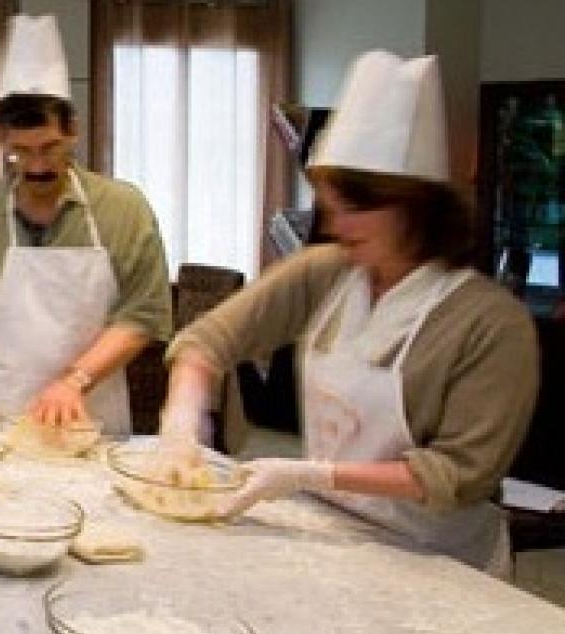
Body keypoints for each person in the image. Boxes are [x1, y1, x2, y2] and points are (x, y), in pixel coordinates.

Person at [162, 52, 540, 576]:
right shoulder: (326, 273)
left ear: (417, 206)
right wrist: (183, 425)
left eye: (356, 208)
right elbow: (208, 341)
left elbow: (456, 473)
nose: (336, 225)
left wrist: (313, 475)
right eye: (330, 205)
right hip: (333, 536)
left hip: (442, 562)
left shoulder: (491, 324)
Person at [0, 15, 171, 435]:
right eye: (21, 152)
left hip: (89, 420)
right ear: (1, 139)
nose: (36, 166)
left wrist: (75, 379)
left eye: (49, 148)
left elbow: (143, 314)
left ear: (73, 130)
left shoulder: (124, 211)